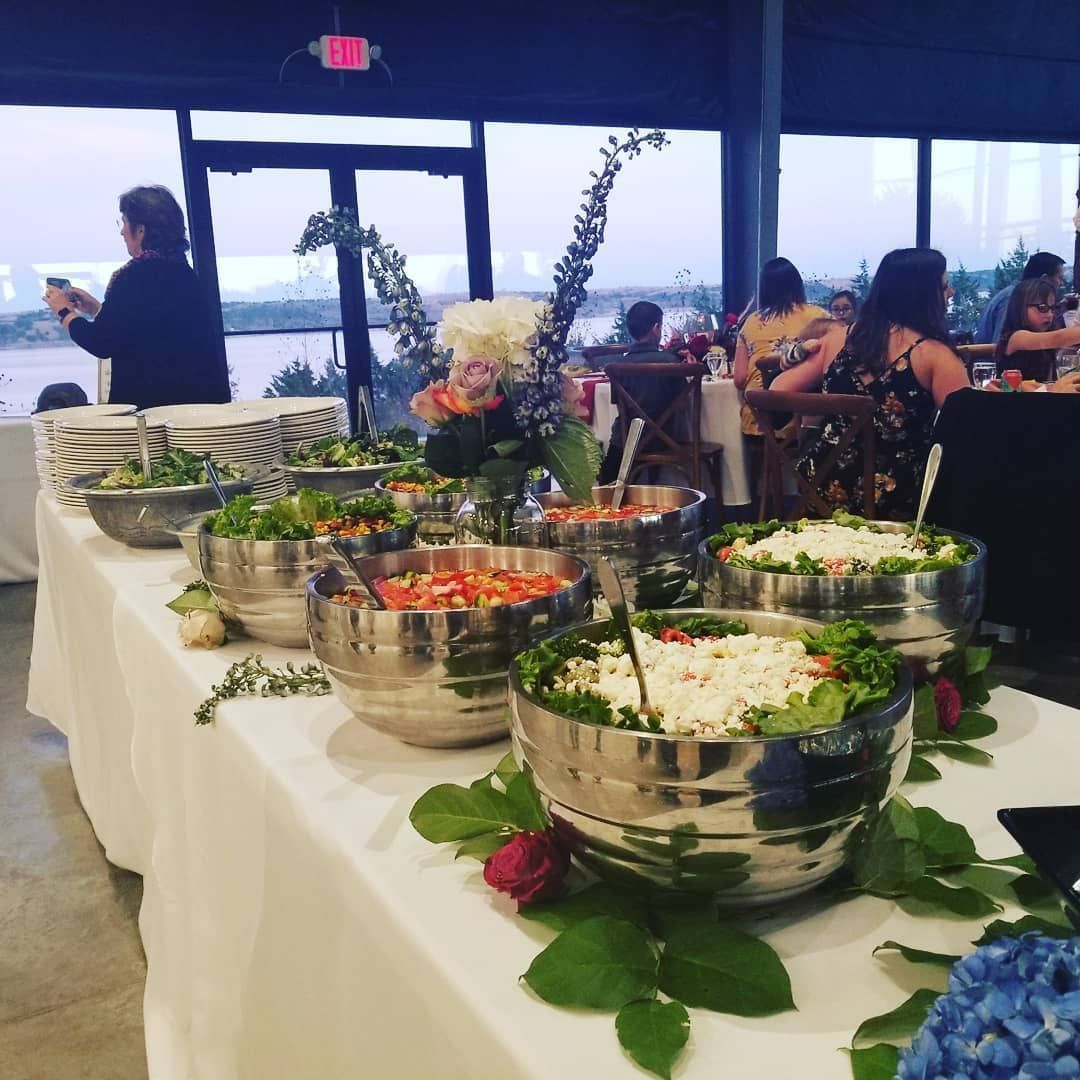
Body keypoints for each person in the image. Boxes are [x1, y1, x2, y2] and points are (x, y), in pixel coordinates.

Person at [771, 248, 970, 520]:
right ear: (923, 295)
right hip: (899, 499)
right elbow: (965, 433)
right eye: (945, 286)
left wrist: (795, 357)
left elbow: (776, 393)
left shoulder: (838, 339)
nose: (951, 293)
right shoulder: (935, 354)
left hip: (821, 489)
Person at [42, 185, 229, 410]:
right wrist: (97, 310)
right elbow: (148, 329)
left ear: (140, 230)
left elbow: (102, 343)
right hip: (195, 408)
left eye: (124, 222)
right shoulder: (184, 273)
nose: (122, 232)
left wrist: (64, 312)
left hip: (151, 413)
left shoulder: (133, 277)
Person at [598, 300, 682, 483]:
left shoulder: (617, 366)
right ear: (656, 328)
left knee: (608, 472)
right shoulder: (671, 361)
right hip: (668, 440)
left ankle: (609, 500)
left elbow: (618, 404)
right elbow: (683, 401)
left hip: (628, 440)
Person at [996, 276, 1080, 385]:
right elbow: (1058, 338)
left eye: (1053, 308)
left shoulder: (1044, 336)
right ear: (1020, 308)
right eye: (1043, 308)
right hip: (1013, 398)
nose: (1050, 315)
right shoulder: (1016, 338)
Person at [974, 251, 1066, 345]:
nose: (1062, 284)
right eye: (1060, 278)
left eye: (1052, 309)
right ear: (1044, 278)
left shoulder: (1017, 294)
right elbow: (1000, 345)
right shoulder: (1012, 298)